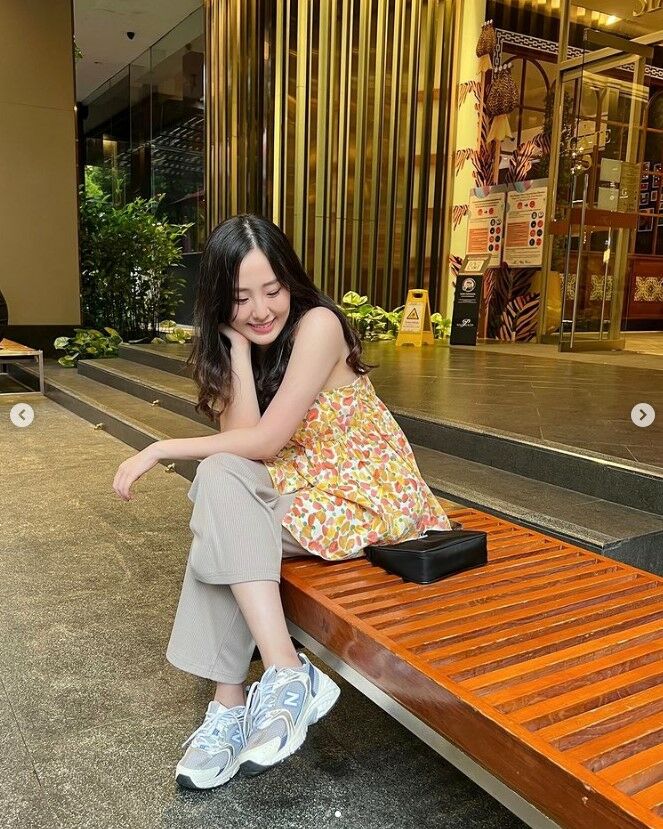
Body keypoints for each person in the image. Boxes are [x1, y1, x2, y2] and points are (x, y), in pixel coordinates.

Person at [112, 214, 451, 791]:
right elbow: (241, 445)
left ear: (291, 280)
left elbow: (264, 443)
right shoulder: (242, 343)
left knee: (223, 523)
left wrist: (160, 447)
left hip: (366, 493)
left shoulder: (319, 324)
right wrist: (238, 355)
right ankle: (258, 694)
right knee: (222, 486)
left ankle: (260, 688)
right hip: (300, 489)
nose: (261, 309)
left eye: (272, 290)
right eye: (240, 298)